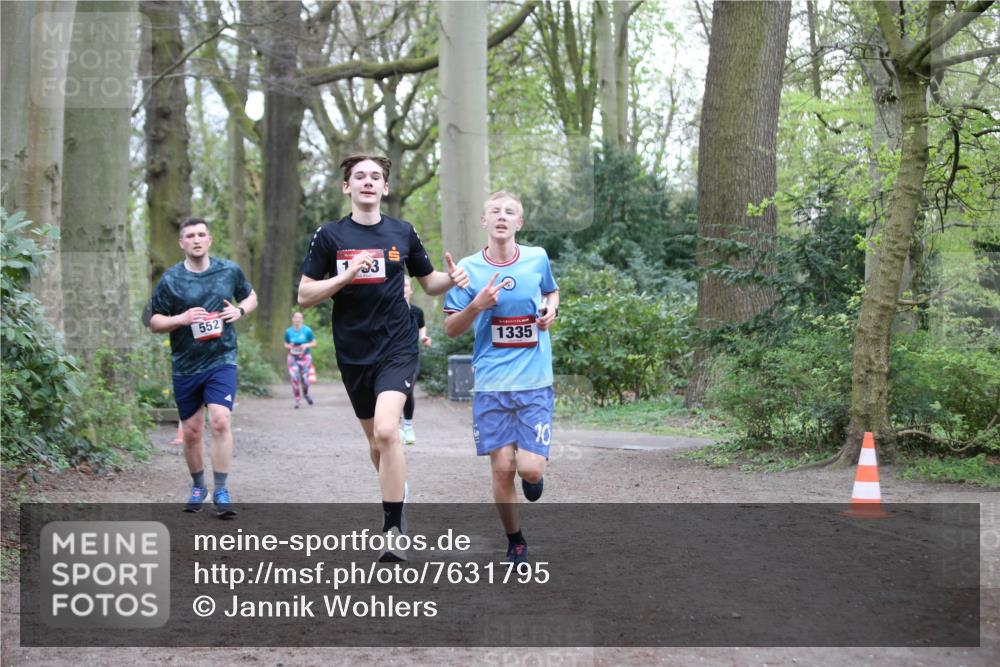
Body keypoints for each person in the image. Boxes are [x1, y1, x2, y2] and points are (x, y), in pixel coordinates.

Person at [297, 153, 468, 561]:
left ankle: (393, 530)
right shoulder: (330, 236)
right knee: (376, 442)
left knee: (390, 432)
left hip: (397, 345)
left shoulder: (402, 232)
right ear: (347, 187)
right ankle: (397, 490)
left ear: (385, 188)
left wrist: (455, 278)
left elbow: (430, 285)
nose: (368, 182)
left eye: (376, 177)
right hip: (353, 350)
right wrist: (345, 276)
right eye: (360, 176)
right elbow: (305, 293)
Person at [444, 191, 559, 564]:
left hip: (534, 380)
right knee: (502, 469)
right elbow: (450, 329)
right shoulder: (468, 269)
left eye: (510, 212)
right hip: (492, 383)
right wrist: (477, 305)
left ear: (519, 223)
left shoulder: (537, 258)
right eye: (494, 211)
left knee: (527, 468)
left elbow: (551, 291)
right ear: (484, 221)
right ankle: (516, 541)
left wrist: (549, 312)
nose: (502, 216)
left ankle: (534, 477)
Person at [149, 217, 257, 518]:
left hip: (222, 359)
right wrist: (180, 319)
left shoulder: (229, 270)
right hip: (186, 365)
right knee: (193, 432)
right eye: (190, 236)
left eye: (201, 234)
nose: (196, 240)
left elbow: (251, 296)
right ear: (181, 243)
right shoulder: (171, 280)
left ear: (209, 239)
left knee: (221, 420)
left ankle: (221, 490)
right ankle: (198, 485)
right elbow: (154, 321)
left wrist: (240, 310)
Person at [401, 275, 432, 445]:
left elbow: (421, 327)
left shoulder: (417, 311)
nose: (402, 288)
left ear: (411, 289)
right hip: (389, 359)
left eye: (405, 285)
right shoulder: (386, 311)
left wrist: (424, 337)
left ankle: (408, 426)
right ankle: (394, 427)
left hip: (411, 357)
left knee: (407, 390)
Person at [284, 311, 317, 408]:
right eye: (296, 317)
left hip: (305, 357)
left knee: (305, 380)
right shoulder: (288, 331)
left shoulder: (307, 330)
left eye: (299, 317)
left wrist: (305, 345)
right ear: (293, 319)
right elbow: (285, 344)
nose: (297, 319)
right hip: (292, 357)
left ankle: (306, 394)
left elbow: (314, 343)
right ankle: (297, 400)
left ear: (302, 319)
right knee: (294, 378)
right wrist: (289, 346)